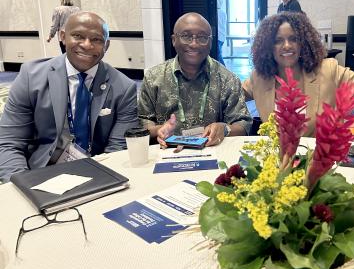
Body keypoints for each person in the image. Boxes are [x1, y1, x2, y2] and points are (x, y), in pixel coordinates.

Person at [0, 11, 138, 183]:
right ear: (63, 37)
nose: (87, 45)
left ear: (106, 45)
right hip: (41, 171)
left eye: (96, 39)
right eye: (78, 36)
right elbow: (9, 142)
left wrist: (103, 183)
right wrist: (24, 185)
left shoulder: (124, 88)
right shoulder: (31, 76)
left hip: (97, 170)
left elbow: (117, 150)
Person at [243, 12, 354, 137]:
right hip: (276, 163)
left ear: (303, 43)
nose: (286, 46)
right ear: (268, 46)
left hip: (319, 160)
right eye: (278, 40)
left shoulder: (327, 70)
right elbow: (229, 95)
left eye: (293, 39)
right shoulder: (259, 77)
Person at [138, 12, 252, 147]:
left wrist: (224, 129)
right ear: (174, 40)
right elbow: (142, 124)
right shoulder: (153, 78)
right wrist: (159, 130)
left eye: (202, 37)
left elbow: (243, 124)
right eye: (186, 36)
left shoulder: (228, 79)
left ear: (210, 42)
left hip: (213, 152)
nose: (194, 44)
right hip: (165, 153)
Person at [217, 0, 227, 66]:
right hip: (222, 36)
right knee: (219, 53)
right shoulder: (223, 12)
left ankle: (224, 68)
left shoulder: (216, 12)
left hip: (218, 36)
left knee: (218, 54)